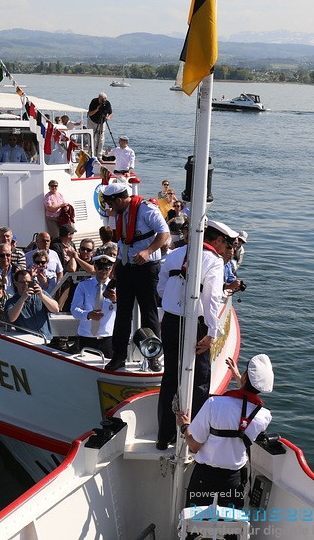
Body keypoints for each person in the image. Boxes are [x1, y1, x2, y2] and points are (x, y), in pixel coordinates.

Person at [155, 218, 238, 449]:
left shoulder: (174, 254)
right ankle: (197, 437)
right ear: (219, 240)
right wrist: (212, 331)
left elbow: (160, 288)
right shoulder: (213, 261)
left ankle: (164, 436)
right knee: (200, 379)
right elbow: (211, 299)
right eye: (227, 244)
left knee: (170, 377)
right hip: (195, 324)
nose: (227, 250)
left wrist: (172, 306)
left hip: (171, 321)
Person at [176, 354, 274, 510]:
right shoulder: (264, 416)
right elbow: (244, 407)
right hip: (233, 481)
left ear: (246, 376)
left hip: (204, 477)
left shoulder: (214, 404)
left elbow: (194, 446)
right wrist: (239, 378)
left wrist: (183, 426)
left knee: (194, 524)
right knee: (230, 526)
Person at [100, 182, 169, 371]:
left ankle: (153, 355)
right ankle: (119, 356)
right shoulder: (121, 213)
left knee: (149, 314)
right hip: (126, 267)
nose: (110, 208)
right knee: (122, 314)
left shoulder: (147, 210)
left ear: (120, 199)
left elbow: (164, 233)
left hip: (146, 269)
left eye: (110, 203)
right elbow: (123, 242)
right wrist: (116, 266)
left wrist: (148, 251)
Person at [69, 254, 118, 357]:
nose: (104, 271)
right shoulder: (83, 285)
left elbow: (124, 312)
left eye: (107, 268)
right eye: (100, 268)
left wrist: (115, 300)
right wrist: (88, 315)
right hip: (86, 337)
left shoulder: (117, 287)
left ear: (112, 269)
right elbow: (74, 309)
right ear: (95, 267)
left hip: (107, 338)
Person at [6, 268, 59, 342]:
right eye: (22, 282)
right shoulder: (12, 301)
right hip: (27, 343)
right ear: (16, 283)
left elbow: (56, 309)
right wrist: (22, 299)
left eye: (28, 282)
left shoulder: (41, 294)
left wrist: (41, 295)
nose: (25, 285)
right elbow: (11, 318)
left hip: (46, 339)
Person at [86, 92, 113, 156]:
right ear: (99, 98)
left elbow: (111, 113)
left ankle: (99, 155)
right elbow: (89, 113)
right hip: (92, 121)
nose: (103, 101)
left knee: (101, 139)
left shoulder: (107, 103)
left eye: (104, 99)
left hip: (102, 122)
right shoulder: (94, 101)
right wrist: (97, 109)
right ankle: (91, 153)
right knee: (92, 137)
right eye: (102, 99)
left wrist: (108, 117)